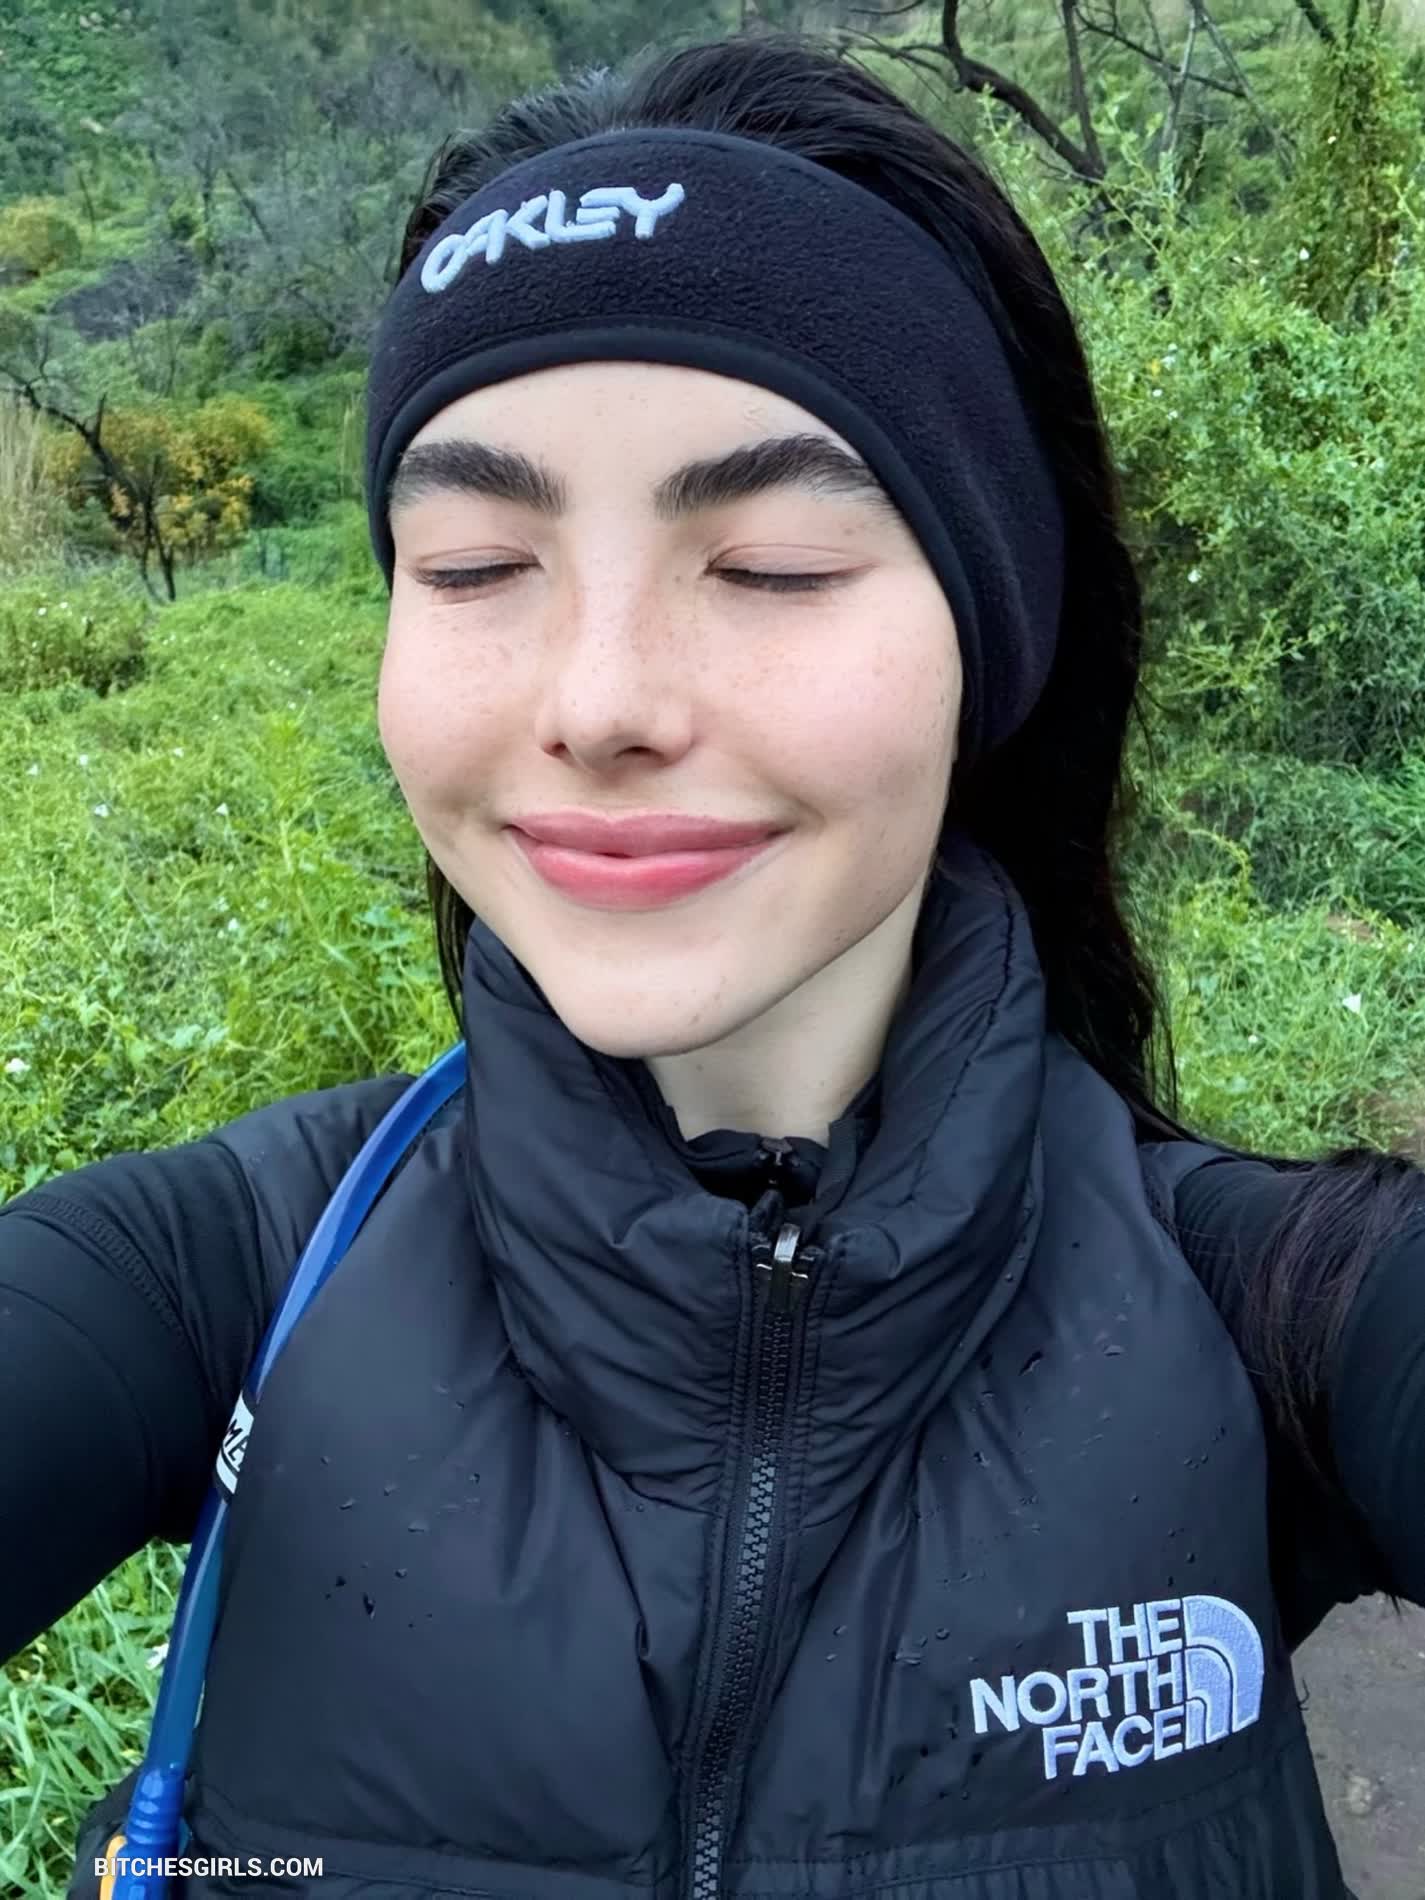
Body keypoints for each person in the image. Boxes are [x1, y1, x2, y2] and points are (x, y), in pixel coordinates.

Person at [1, 28, 1421, 1900]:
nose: (596, 703)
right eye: (472, 565)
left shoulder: (1282, 1315)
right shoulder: (211, 1284)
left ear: (987, 634)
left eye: (769, 565)